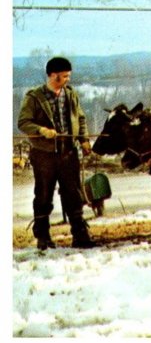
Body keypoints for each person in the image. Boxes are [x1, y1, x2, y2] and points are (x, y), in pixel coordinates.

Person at [17, 57, 96, 250]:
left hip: (68, 153)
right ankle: (43, 237)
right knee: (43, 196)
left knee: (74, 195)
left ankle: (80, 236)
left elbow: (81, 118)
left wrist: (84, 140)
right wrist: (41, 130)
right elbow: (23, 123)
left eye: (68, 76)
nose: (68, 79)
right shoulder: (34, 97)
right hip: (44, 156)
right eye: (65, 76)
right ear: (53, 75)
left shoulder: (70, 95)